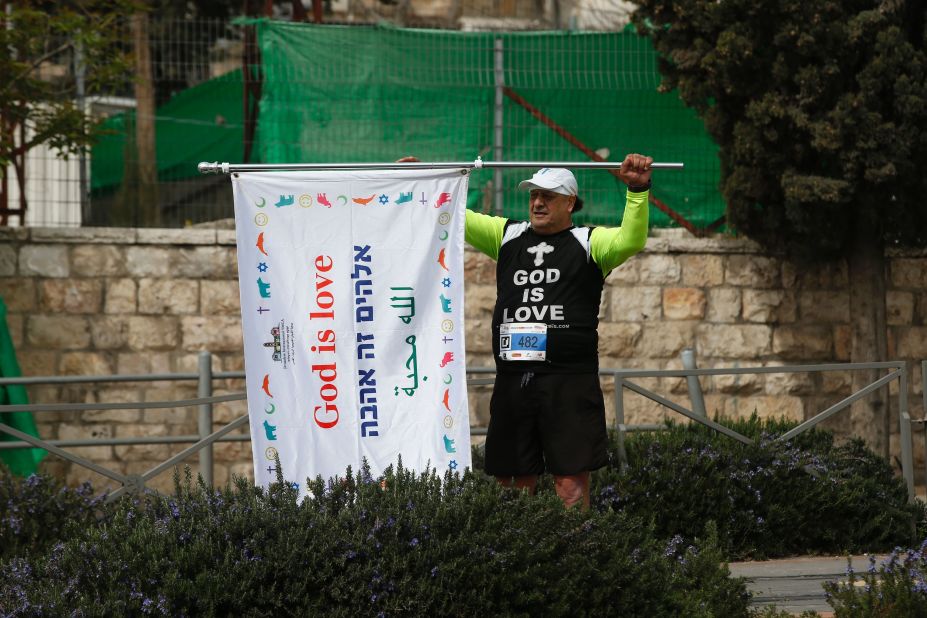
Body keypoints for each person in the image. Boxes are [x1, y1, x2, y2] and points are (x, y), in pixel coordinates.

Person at [398, 154, 653, 509]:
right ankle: (519, 557)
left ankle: (576, 557)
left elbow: (631, 239)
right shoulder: (507, 235)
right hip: (514, 378)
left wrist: (637, 191)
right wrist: (426, 177)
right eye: (533, 194)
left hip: (569, 380)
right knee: (512, 480)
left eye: (548, 196)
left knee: (570, 483)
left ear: (570, 202)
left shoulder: (590, 241)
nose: (537, 202)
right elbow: (452, 213)